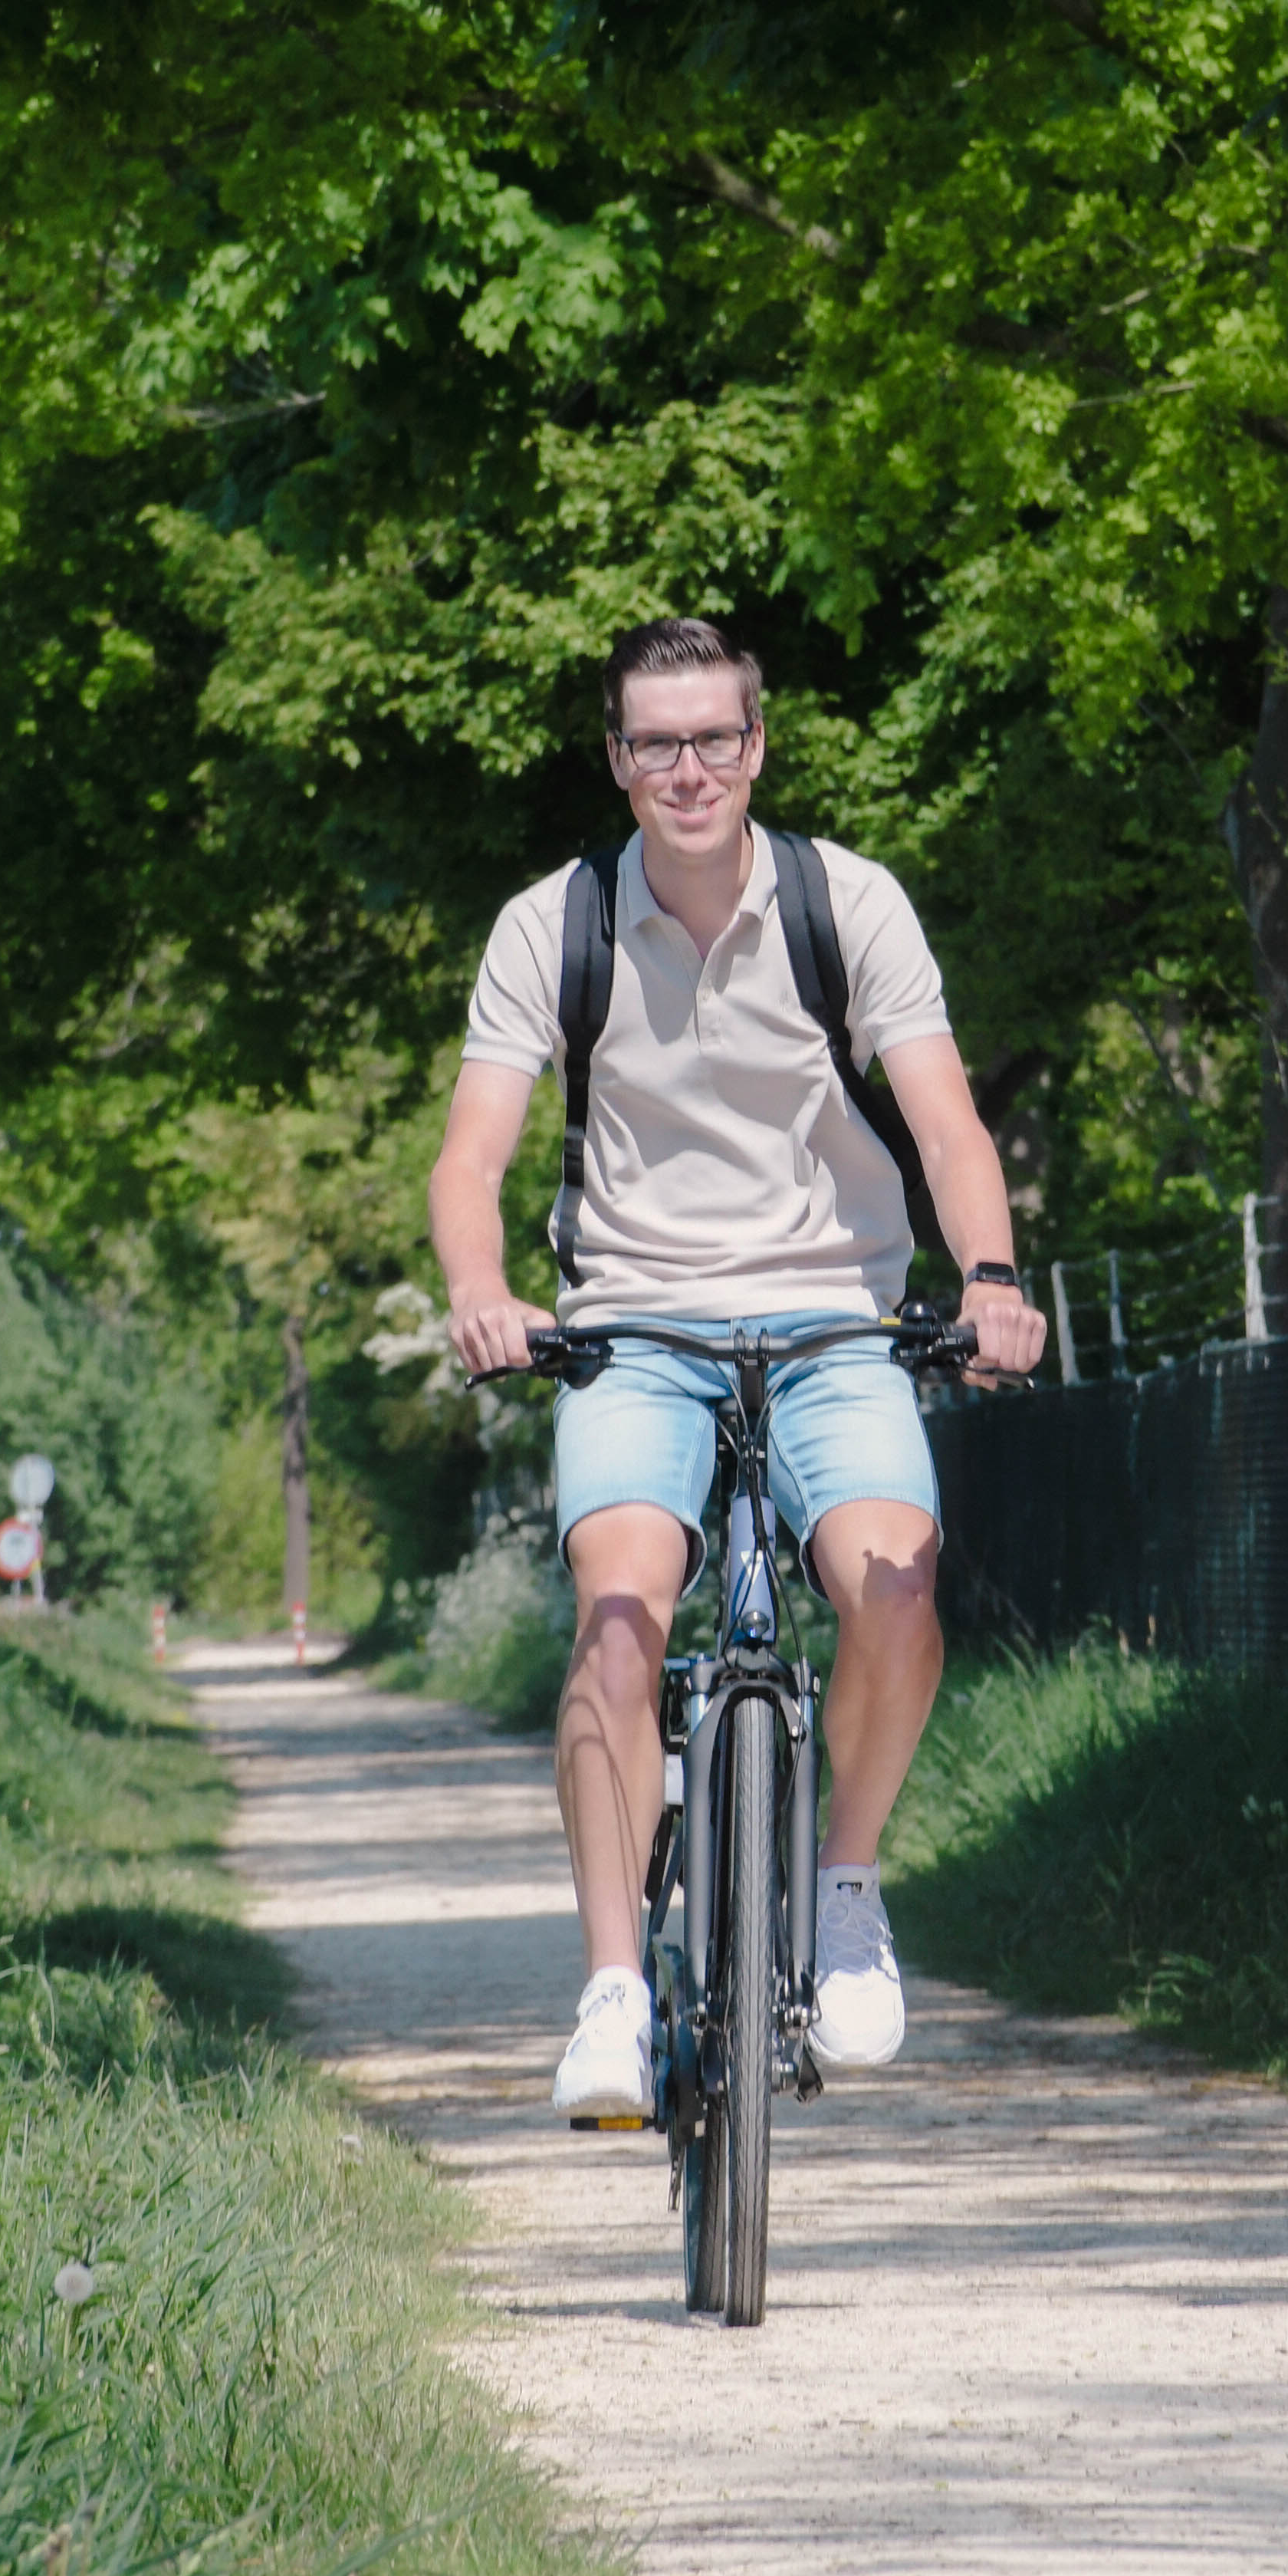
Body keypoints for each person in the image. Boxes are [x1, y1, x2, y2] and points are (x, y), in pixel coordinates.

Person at [428, 615, 1047, 2128]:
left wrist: (990, 1282)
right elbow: (472, 1153)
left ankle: (843, 1885)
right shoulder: (552, 924)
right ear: (618, 760)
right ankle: (609, 1994)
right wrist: (482, 1290)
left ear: (756, 748)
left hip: (836, 1317)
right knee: (619, 1620)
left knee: (893, 1588)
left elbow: (948, 1128)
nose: (687, 768)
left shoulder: (849, 903)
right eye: (656, 744)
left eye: (714, 739)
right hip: (634, 1325)